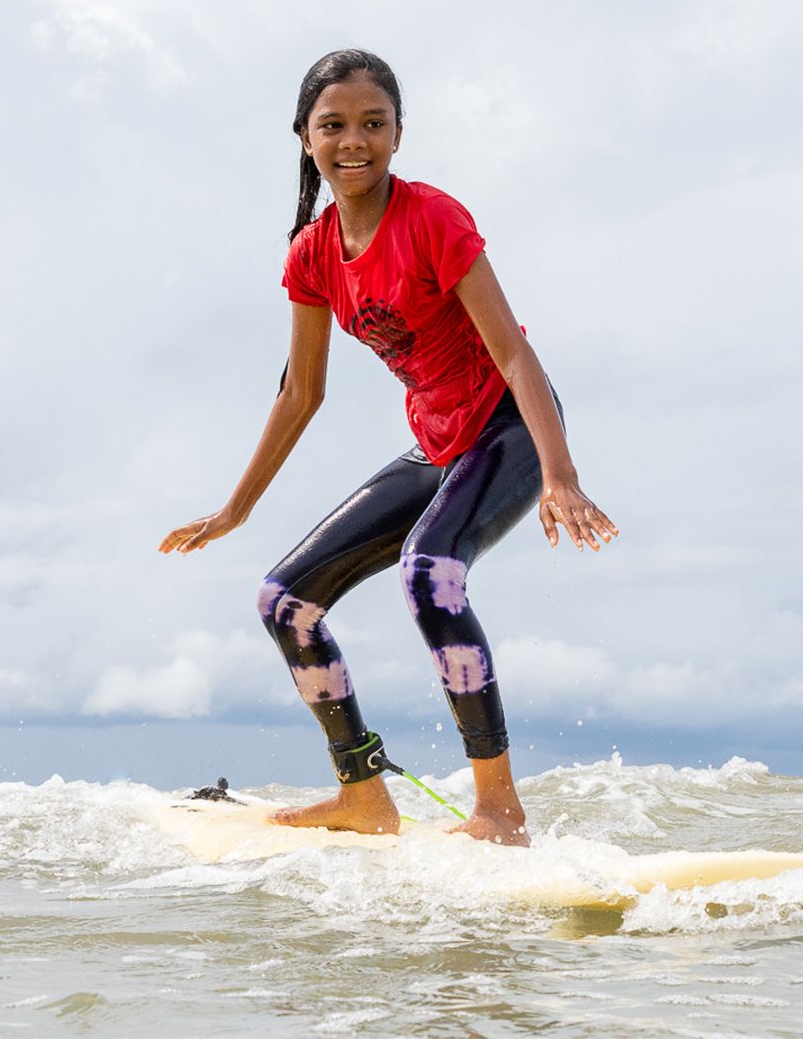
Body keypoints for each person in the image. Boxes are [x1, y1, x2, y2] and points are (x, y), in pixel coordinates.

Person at [159, 49, 616, 846]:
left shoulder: (434, 218)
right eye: (333, 125)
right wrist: (236, 509)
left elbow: (513, 353)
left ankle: (499, 810)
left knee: (430, 573)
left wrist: (560, 474)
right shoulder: (311, 255)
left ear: (399, 134)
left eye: (373, 124)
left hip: (506, 424)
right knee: (285, 602)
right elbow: (301, 393)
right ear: (305, 136)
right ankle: (362, 795)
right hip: (440, 443)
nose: (354, 141)